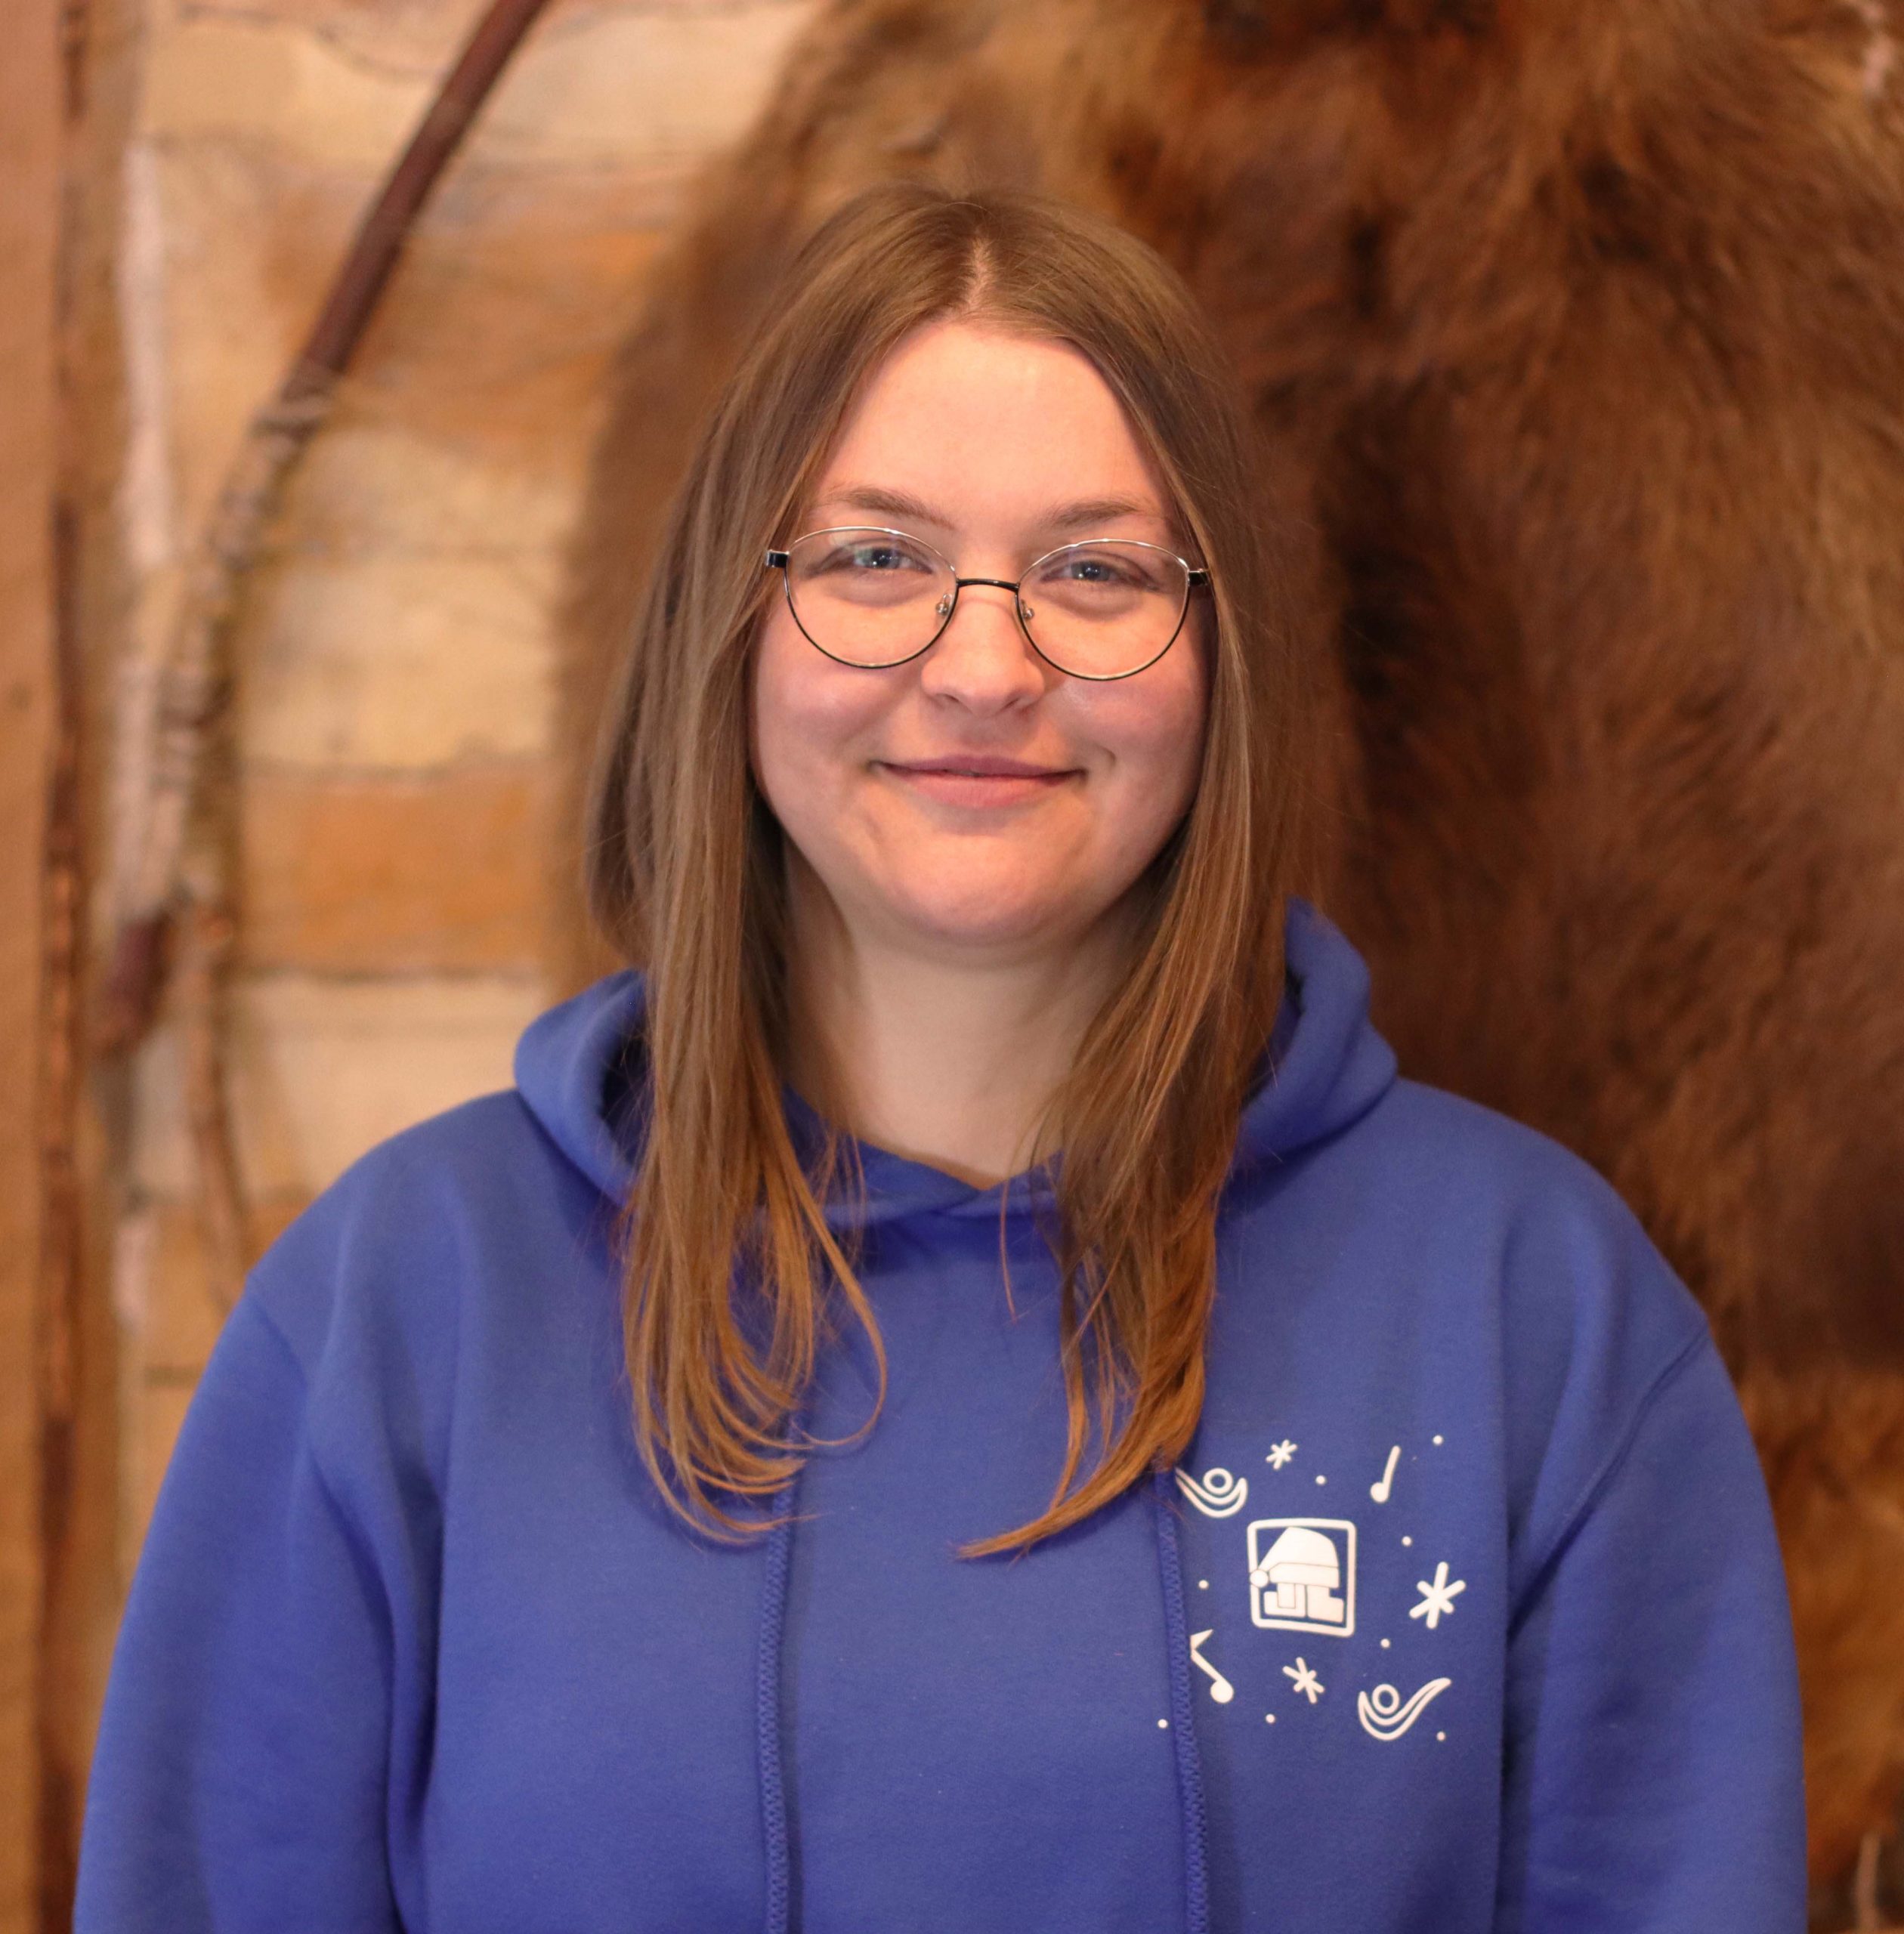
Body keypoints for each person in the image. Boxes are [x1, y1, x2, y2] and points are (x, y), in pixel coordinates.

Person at [75, 183, 1805, 1932]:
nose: (986, 665)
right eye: (877, 558)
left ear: (1222, 655)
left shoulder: (1536, 1316)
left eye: (1097, 569)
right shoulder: (402, 1307)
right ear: (729, 627)